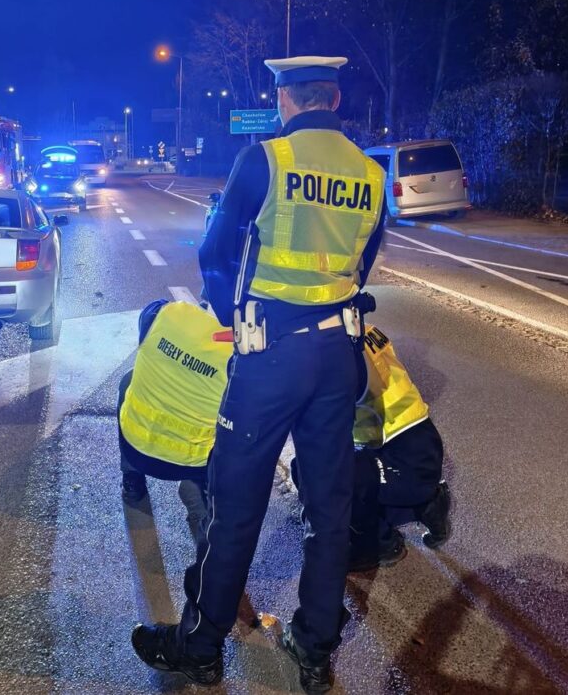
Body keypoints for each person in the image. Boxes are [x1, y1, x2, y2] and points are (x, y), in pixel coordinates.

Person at [131, 56, 387, 694]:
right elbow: (365, 264)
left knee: (236, 502)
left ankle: (201, 645)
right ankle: (314, 643)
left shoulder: (265, 160)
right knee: (329, 507)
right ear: (333, 97)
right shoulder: (371, 173)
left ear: (286, 100)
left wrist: (230, 314)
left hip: (270, 357)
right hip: (338, 356)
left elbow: (215, 250)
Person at [118, 299, 233, 542]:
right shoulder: (240, 352)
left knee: (128, 381)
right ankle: (201, 508)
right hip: (191, 464)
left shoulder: (162, 312)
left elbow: (147, 327)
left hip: (137, 449)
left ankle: (132, 481)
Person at [346, 324, 452, 572]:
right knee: (354, 472)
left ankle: (381, 544)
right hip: (421, 445)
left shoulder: (326, 347)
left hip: (397, 452)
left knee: (322, 475)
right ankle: (428, 504)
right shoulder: (364, 329)